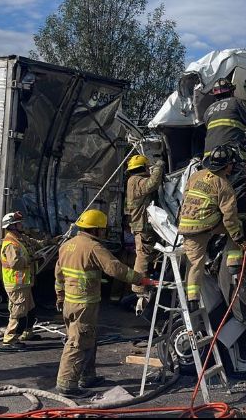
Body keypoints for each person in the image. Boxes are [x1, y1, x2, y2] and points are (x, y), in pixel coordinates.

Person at [54, 209, 156, 397]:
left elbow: (59, 275)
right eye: (103, 230)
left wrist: (60, 296)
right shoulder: (93, 247)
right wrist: (140, 279)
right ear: (96, 230)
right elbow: (114, 268)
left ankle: (87, 376)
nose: (104, 233)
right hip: (84, 304)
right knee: (77, 342)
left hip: (70, 301)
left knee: (88, 338)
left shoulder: (67, 245)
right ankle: (66, 384)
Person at [178, 145, 246, 310]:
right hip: (205, 225)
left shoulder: (196, 176)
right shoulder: (224, 186)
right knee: (236, 226)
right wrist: (240, 239)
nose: (232, 166)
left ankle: (192, 299)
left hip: (185, 224)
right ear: (227, 166)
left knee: (195, 263)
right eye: (231, 163)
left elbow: (186, 196)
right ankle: (233, 263)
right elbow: (230, 218)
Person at [0, 211, 56, 347]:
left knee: (30, 309)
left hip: (24, 282)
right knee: (18, 311)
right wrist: (33, 259)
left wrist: (51, 241)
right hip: (16, 283)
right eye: (19, 223)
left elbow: (36, 244)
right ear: (12, 226)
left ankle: (27, 333)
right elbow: (15, 263)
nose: (21, 225)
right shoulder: (11, 244)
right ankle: (10, 339)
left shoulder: (20, 238)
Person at [124, 154, 164, 308]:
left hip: (142, 226)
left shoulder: (132, 181)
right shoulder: (136, 181)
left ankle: (144, 285)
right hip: (142, 226)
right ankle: (139, 288)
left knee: (146, 254)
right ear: (143, 168)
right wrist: (159, 166)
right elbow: (152, 184)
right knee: (142, 256)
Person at [202, 77, 246, 159]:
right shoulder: (235, 102)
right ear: (231, 91)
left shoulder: (208, 110)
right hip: (229, 153)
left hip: (209, 156)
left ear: (215, 96)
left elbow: (222, 130)